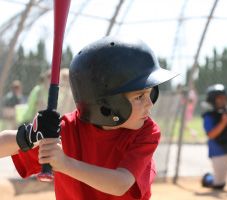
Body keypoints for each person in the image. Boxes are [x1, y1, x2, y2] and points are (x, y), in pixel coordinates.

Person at [0, 36, 177, 199]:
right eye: (139, 97)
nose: (150, 104)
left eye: (150, 93)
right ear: (107, 104)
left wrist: (65, 164)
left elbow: (120, 183)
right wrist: (30, 135)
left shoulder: (146, 132)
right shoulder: (67, 129)